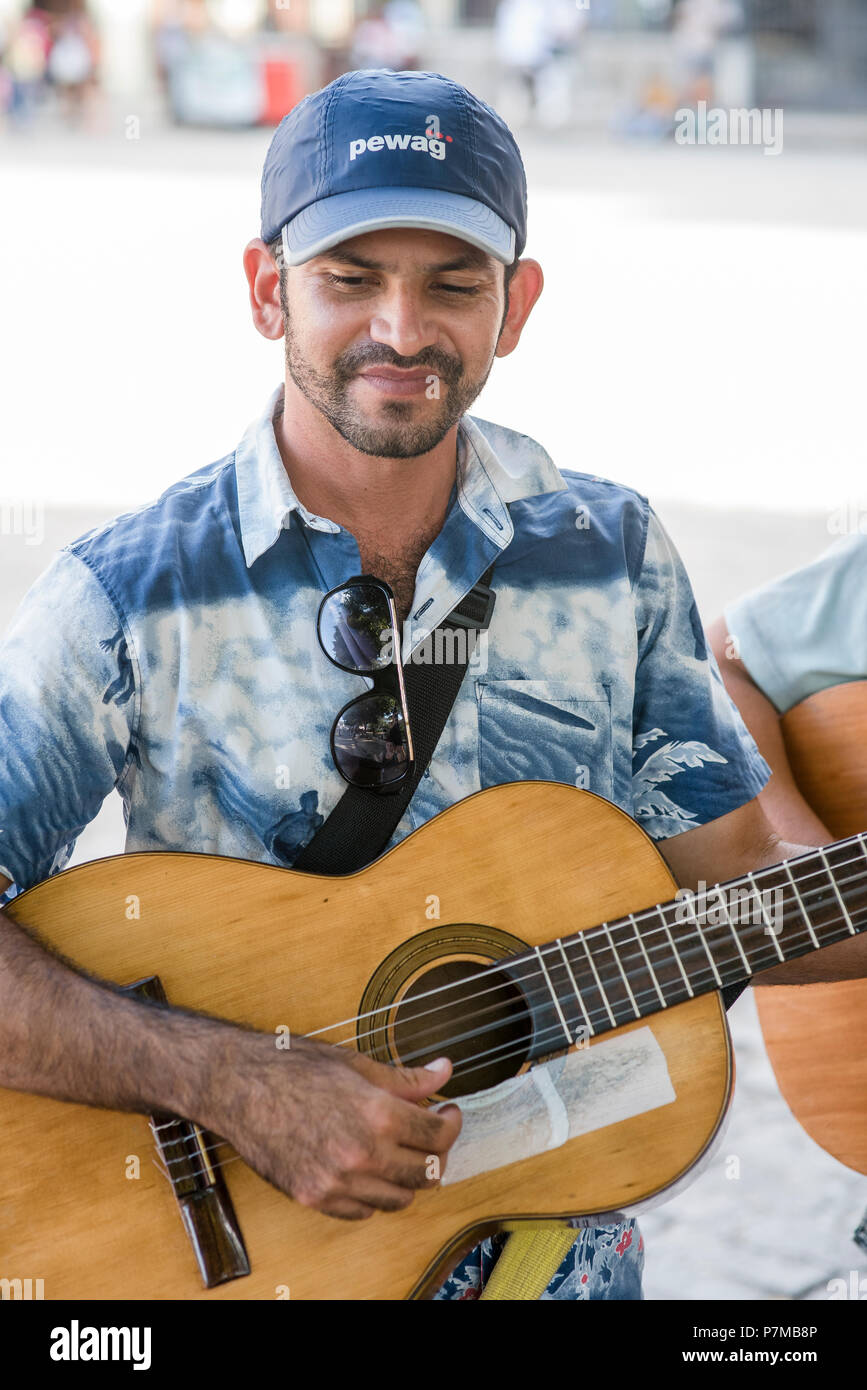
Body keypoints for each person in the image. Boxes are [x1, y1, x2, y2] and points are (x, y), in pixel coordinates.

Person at [1, 68, 865, 1303]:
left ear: (515, 305)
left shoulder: (609, 555)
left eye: (453, 284)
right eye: (351, 279)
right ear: (266, 292)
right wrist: (229, 1082)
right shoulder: (132, 595)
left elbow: (731, 890)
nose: (403, 331)